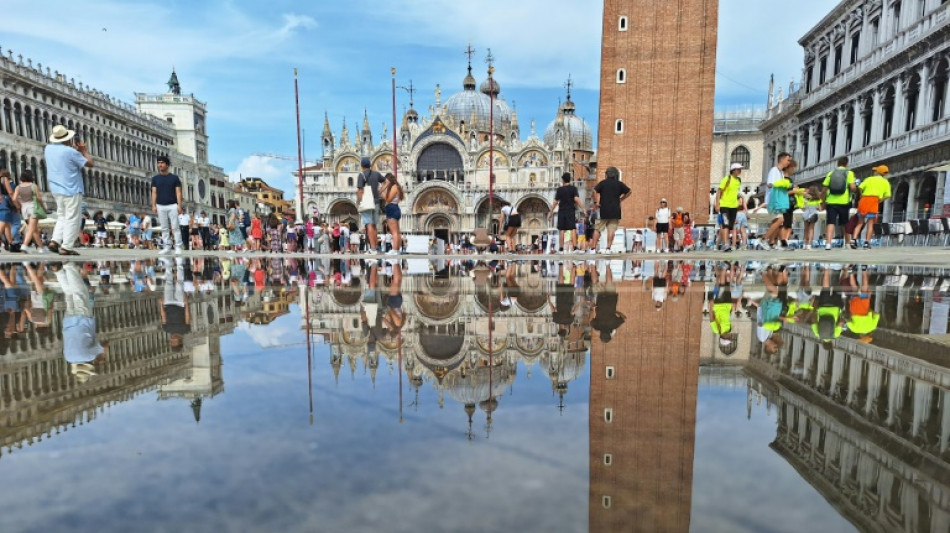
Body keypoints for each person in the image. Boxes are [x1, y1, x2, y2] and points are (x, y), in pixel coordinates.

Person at [44, 124, 93, 255]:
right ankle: (66, 247)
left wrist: (74, 150)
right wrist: (83, 151)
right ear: (67, 139)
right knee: (72, 218)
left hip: (56, 189)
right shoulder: (71, 152)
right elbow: (90, 163)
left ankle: (54, 241)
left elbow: (63, 156)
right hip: (71, 189)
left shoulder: (48, 149)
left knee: (62, 216)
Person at [591, 166, 631, 254]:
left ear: (607, 175)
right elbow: (629, 191)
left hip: (602, 210)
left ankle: (593, 249)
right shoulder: (619, 184)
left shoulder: (603, 183)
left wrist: (596, 202)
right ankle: (608, 248)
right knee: (611, 230)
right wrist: (621, 199)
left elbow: (594, 190)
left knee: (597, 229)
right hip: (615, 210)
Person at [822, 156, 857, 250]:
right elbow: (853, 187)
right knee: (845, 222)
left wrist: (823, 202)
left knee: (830, 222)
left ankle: (828, 244)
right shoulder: (849, 173)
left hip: (831, 201)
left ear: (837, 163)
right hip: (844, 201)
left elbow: (824, 189)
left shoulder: (831, 173)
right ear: (847, 164)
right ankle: (848, 243)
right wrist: (855, 189)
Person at [151, 155, 184, 255]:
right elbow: (154, 192)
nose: (160, 164)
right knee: (164, 228)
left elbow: (178, 192)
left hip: (172, 205)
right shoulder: (155, 179)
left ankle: (178, 246)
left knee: (175, 227)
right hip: (160, 205)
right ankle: (167, 247)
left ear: (167, 165)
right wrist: (153, 205)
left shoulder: (174, 178)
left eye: (162, 163)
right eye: (158, 163)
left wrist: (179, 205)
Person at [853, 165, 892, 249]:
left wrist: (861, 195)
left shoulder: (869, 179)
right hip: (874, 200)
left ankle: (854, 239)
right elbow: (888, 195)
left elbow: (860, 187)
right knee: (870, 224)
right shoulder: (885, 182)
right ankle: (866, 243)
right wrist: (880, 200)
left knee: (860, 223)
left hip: (864, 199)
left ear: (878, 172)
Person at [550, 172, 585, 253]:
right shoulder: (573, 189)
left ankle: (561, 249)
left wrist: (551, 211)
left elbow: (555, 202)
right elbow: (576, 199)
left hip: (562, 211)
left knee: (562, 229)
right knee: (572, 228)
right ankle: (575, 248)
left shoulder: (559, 189)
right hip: (570, 210)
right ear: (570, 179)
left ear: (563, 180)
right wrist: (583, 208)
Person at [12, 169, 46, 253]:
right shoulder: (33, 186)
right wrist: (43, 207)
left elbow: (14, 199)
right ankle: (25, 245)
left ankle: (41, 248)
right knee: (31, 228)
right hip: (33, 207)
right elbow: (39, 198)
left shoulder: (18, 187)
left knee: (34, 229)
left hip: (24, 209)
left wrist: (18, 206)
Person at [714, 163, 743, 252]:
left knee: (730, 226)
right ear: (733, 170)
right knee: (725, 224)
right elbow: (719, 191)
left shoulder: (739, 180)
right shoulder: (727, 179)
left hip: (734, 206)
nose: (740, 171)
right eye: (738, 169)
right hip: (724, 205)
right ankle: (726, 244)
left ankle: (726, 243)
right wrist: (717, 204)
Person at [356, 157, 383, 255]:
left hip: (367, 203)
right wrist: (381, 191)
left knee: (369, 225)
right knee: (374, 226)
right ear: (370, 165)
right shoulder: (376, 174)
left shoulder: (361, 175)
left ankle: (372, 249)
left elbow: (360, 191)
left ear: (362, 166)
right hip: (376, 202)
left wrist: (358, 202)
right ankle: (374, 247)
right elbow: (386, 181)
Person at [379, 173, 404, 256]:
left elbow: (388, 200)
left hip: (392, 208)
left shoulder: (394, 187)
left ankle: (395, 250)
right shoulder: (396, 187)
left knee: (394, 232)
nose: (385, 183)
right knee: (396, 232)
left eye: (386, 181)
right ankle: (396, 249)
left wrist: (382, 191)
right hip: (394, 208)